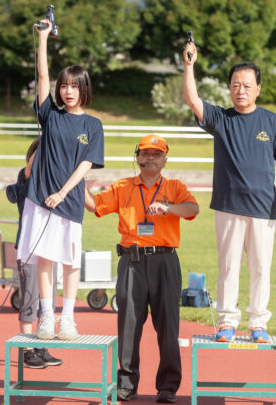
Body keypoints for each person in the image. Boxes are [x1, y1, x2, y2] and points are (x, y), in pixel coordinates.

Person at [183, 41, 276, 343]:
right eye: (235, 85)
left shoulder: (272, 121)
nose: (241, 90)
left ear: (258, 89)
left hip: (263, 206)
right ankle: (227, 321)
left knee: (260, 268)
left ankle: (258, 324)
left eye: (247, 85)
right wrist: (189, 65)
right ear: (229, 88)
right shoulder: (221, 119)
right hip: (229, 205)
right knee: (228, 267)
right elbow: (192, 100)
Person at [85, 134, 199, 403]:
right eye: (146, 153)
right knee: (128, 325)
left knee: (169, 326)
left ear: (165, 159)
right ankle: (126, 383)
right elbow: (95, 207)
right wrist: (79, 184)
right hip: (132, 261)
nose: (151, 158)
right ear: (136, 157)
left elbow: (193, 208)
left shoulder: (175, 186)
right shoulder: (122, 186)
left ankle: (168, 387)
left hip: (166, 261)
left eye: (156, 154)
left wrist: (169, 208)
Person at [17, 19, 104, 341]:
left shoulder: (93, 125)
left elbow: (86, 164)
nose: (69, 91)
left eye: (75, 86)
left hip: (67, 201)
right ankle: (46, 318)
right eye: (65, 86)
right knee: (44, 259)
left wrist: (63, 192)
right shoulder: (49, 115)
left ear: (85, 89)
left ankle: (67, 319)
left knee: (69, 260)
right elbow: (41, 75)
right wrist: (42, 39)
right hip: (40, 199)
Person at [6, 138, 62, 368]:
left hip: (51, 248)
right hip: (30, 249)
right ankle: (27, 350)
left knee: (47, 300)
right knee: (29, 298)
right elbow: (30, 168)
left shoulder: (55, 181)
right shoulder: (25, 176)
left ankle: (41, 345)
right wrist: (46, 142)